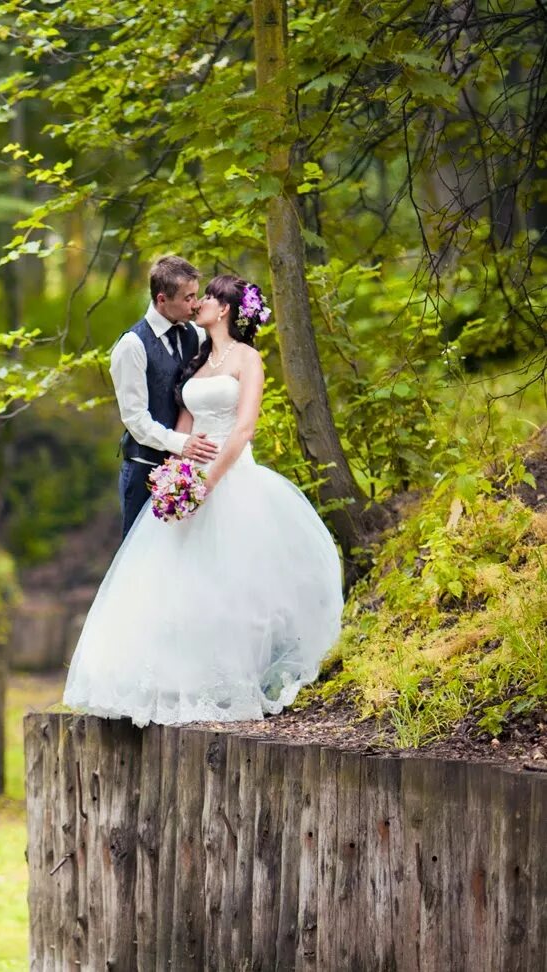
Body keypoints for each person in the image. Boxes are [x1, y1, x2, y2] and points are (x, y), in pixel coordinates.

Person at [62, 274, 344, 727]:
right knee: (175, 583)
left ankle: (239, 679)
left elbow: (244, 429)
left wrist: (208, 482)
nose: (199, 305)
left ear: (226, 309)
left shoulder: (248, 359)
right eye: (194, 297)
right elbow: (185, 425)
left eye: (207, 297)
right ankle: (175, 679)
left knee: (233, 584)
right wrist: (180, 478)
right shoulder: (195, 356)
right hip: (190, 476)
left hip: (233, 478)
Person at [110, 256, 221, 541]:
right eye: (188, 298)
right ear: (162, 299)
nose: (195, 304)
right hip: (143, 471)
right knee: (139, 558)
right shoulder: (132, 346)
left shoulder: (194, 336)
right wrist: (181, 443)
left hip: (189, 474)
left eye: (196, 296)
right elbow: (135, 419)